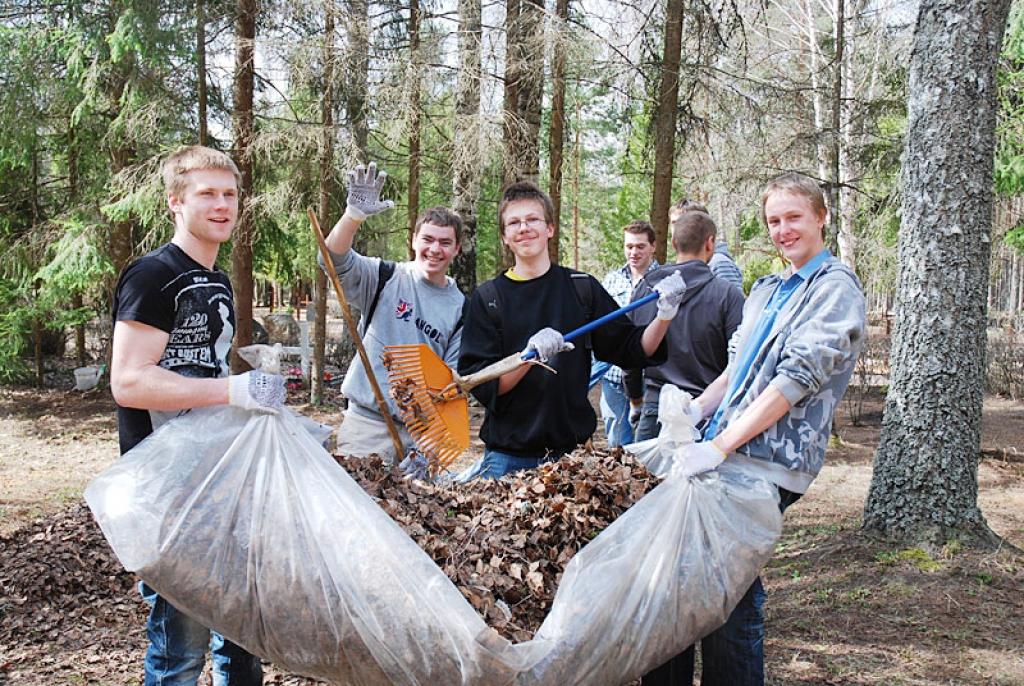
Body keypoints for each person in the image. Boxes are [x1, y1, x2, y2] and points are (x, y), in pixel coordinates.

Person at [644, 173, 866, 686]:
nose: (783, 230)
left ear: (821, 218)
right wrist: (698, 409)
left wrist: (720, 446)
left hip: (765, 462)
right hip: (723, 448)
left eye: (794, 218)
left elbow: (796, 380)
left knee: (729, 597)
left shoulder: (834, 289)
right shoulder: (767, 288)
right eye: (773, 221)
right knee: (686, 579)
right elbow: (737, 368)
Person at [111, 145, 283, 686]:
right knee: (180, 651)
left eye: (230, 194)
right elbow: (130, 381)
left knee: (241, 641)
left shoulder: (217, 279)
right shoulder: (152, 275)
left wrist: (253, 397)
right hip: (169, 491)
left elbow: (203, 374)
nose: (222, 204)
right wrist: (233, 390)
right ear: (175, 203)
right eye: (206, 193)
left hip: (220, 479)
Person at [457, 181, 685, 479]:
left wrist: (665, 315)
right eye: (514, 222)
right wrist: (527, 357)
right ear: (505, 237)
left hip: (572, 460)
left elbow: (634, 349)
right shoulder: (487, 299)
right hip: (507, 461)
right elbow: (485, 387)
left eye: (533, 219)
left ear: (550, 228)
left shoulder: (581, 289)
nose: (524, 227)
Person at [320, 162, 465, 463]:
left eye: (445, 242)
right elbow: (331, 260)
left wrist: (430, 449)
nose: (435, 249)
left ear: (457, 249)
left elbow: (450, 386)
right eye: (427, 239)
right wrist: (353, 216)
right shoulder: (384, 277)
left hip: (420, 436)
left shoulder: (461, 309)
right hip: (366, 425)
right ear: (414, 241)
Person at [625, 211, 744, 442]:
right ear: (710, 244)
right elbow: (741, 363)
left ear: (673, 242)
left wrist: (636, 401)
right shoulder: (727, 295)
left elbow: (628, 360)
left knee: (649, 478)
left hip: (693, 410)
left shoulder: (645, 289)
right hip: (694, 415)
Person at [596, 220, 660, 447]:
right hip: (613, 378)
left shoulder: (665, 280)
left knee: (646, 446)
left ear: (653, 246)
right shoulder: (611, 280)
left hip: (650, 379)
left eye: (640, 246)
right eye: (629, 246)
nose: (634, 252)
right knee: (617, 446)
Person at [672, 197, 744, 293]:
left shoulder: (719, 263)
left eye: (685, 222)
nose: (679, 228)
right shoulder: (679, 266)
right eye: (674, 223)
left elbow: (735, 304)